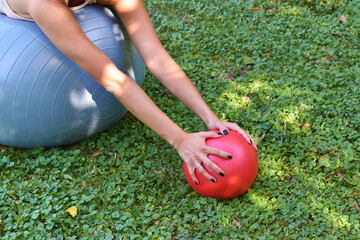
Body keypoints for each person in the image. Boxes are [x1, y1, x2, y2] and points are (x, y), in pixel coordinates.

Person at [1, 0, 258, 185]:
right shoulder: (43, 4)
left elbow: (156, 56)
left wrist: (210, 117)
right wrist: (180, 140)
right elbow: (113, 79)